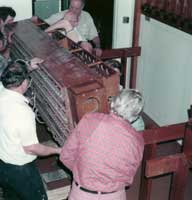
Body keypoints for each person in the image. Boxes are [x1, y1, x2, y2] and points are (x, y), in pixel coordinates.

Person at [60, 89, 144, 200]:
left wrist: (83, 172)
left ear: (113, 103)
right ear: (135, 116)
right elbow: (128, 179)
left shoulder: (89, 120)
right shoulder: (137, 140)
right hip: (114, 196)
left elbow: (66, 156)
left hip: (82, 194)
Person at [0, 60, 62, 200]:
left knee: (12, 196)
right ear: (24, 83)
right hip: (20, 170)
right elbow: (32, 148)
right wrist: (58, 150)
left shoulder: (1, 90)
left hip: (2, 164)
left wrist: (27, 67)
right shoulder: (22, 112)